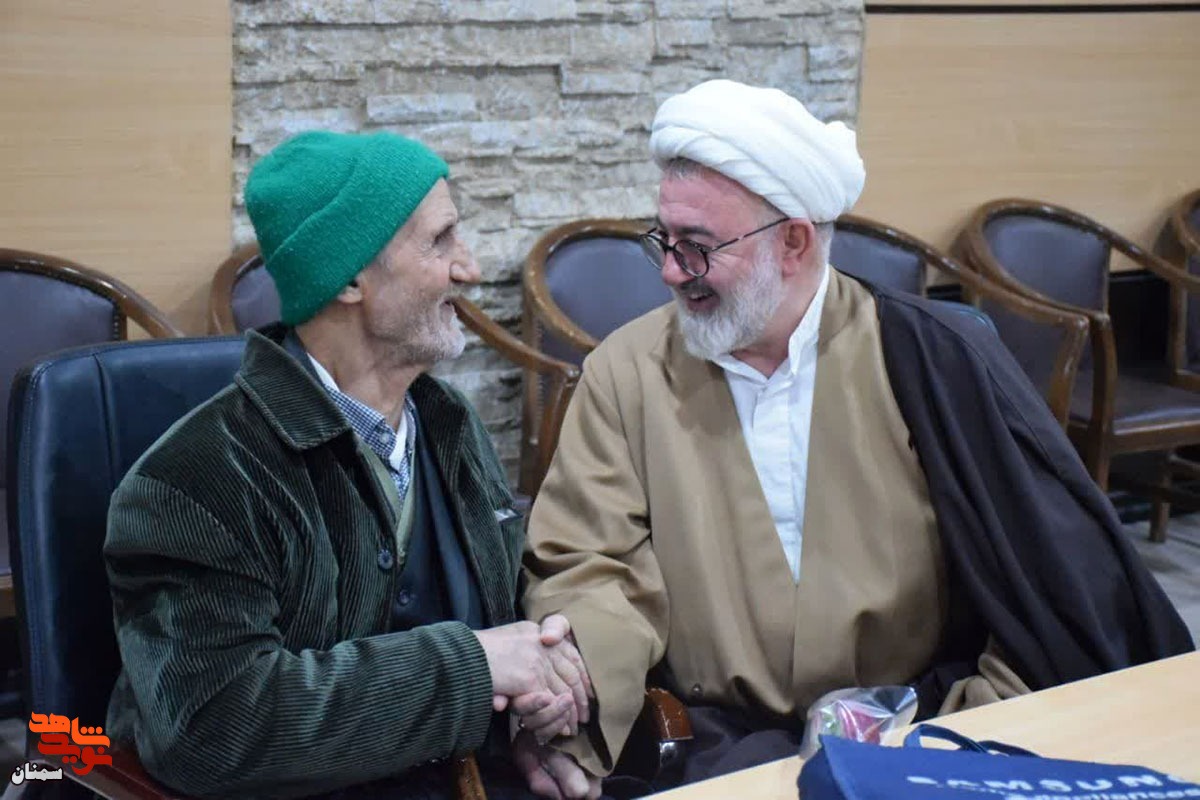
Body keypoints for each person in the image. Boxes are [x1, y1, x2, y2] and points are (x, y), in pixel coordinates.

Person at [521, 80, 1194, 794]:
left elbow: (1041, 580)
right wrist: (575, 703)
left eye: (697, 247)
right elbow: (592, 563)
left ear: (793, 241)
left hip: (926, 730)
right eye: (663, 239)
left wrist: (972, 725)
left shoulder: (929, 357)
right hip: (718, 742)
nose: (668, 270)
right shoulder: (626, 371)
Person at [104, 130, 593, 800]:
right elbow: (212, 728)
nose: (471, 269)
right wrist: (473, 667)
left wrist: (532, 712)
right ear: (349, 280)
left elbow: (506, 613)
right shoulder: (193, 482)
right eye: (441, 241)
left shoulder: (449, 423)